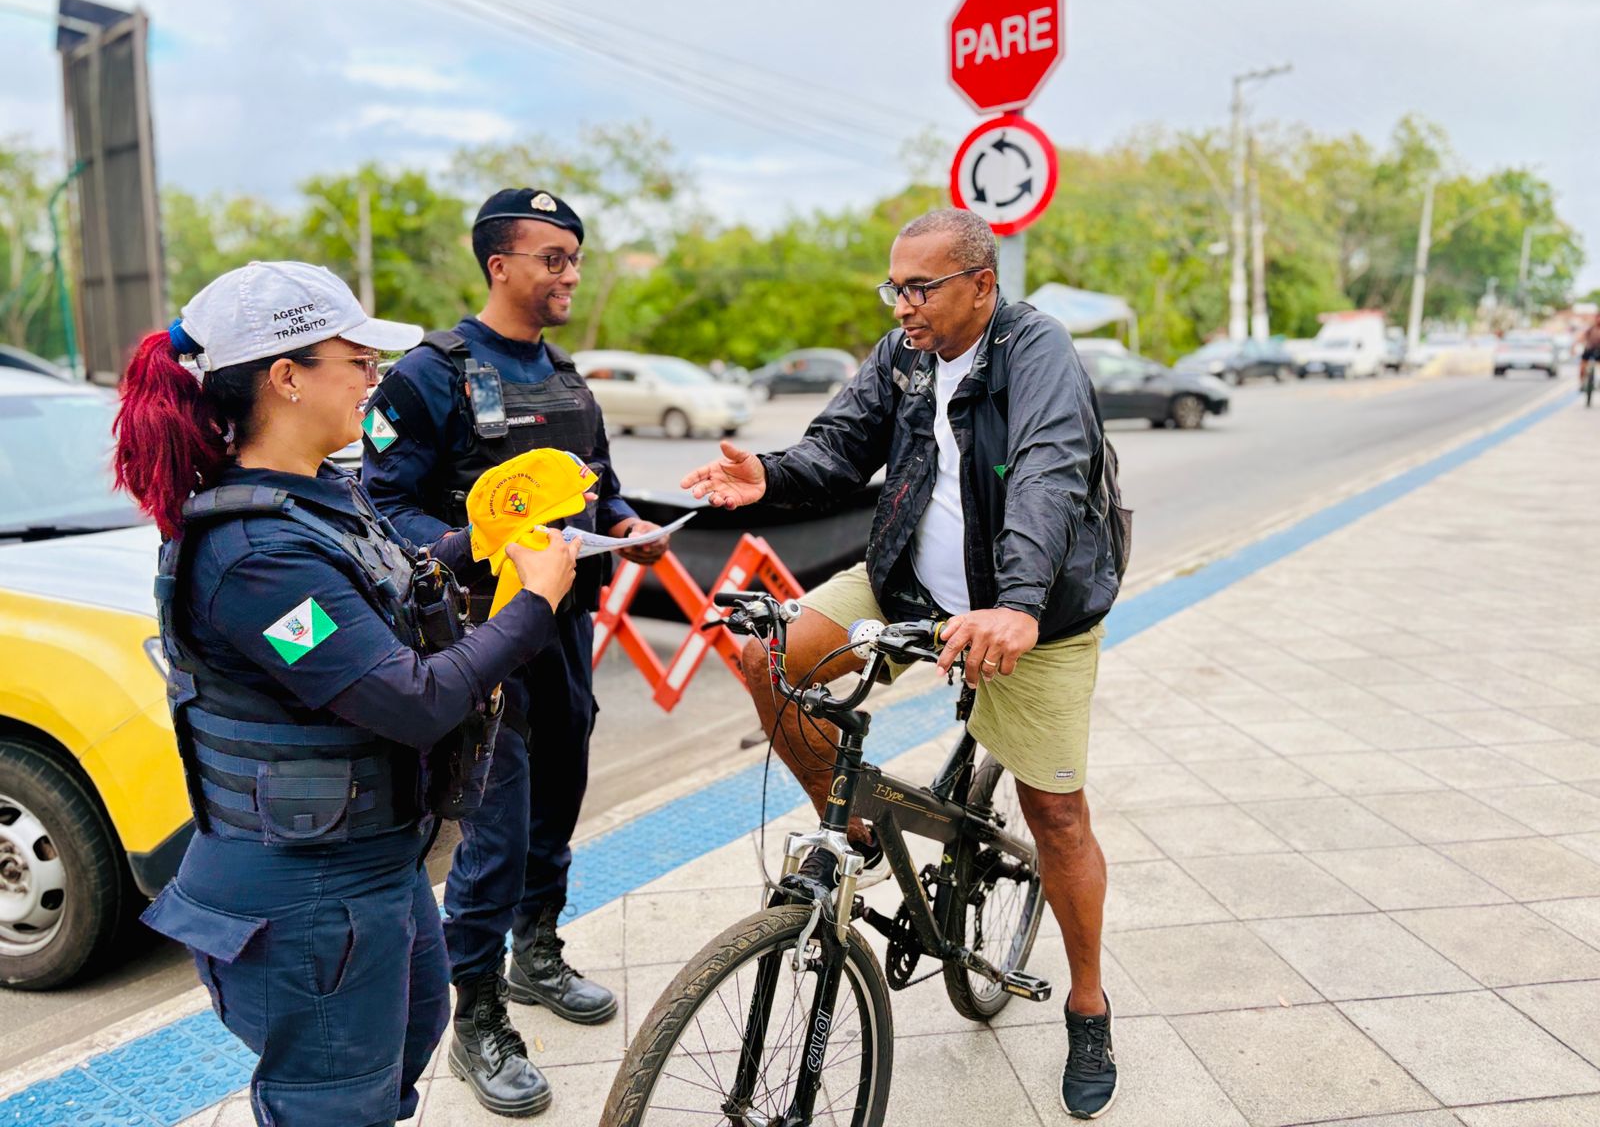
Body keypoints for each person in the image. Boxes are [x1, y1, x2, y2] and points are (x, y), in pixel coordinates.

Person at [113, 260, 581, 1127]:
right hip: (305, 896)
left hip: (374, 861)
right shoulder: (255, 556)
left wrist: (488, 537)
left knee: (401, 1046)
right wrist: (535, 602)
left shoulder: (321, 496)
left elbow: (392, 586)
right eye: (357, 361)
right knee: (332, 1102)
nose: (377, 379)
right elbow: (412, 700)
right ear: (286, 377)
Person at [681, 208, 1123, 1120]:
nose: (902, 304)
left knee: (1057, 814)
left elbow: (1048, 473)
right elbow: (839, 447)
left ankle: (1088, 1005)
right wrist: (769, 474)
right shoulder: (904, 354)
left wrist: (1018, 604)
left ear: (981, 287)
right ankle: (856, 830)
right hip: (908, 583)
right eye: (895, 286)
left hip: (1028, 609)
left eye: (920, 287)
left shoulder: (1037, 351)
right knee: (763, 654)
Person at [361, 188, 668, 1115]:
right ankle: (477, 1015)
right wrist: (477, 548)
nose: (569, 274)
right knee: (490, 832)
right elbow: (383, 508)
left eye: (575, 258)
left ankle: (538, 953)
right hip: (478, 642)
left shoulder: (568, 377)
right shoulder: (429, 375)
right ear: (500, 266)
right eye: (553, 259)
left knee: (557, 802)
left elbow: (596, 490)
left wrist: (627, 525)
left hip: (567, 634)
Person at [1578, 316, 1600, 390]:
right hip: (1589, 349)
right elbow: (1582, 336)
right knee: (1582, 366)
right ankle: (1582, 382)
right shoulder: (1591, 328)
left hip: (1599, 350)